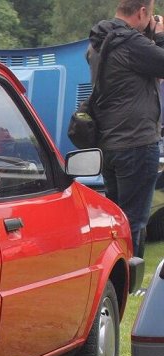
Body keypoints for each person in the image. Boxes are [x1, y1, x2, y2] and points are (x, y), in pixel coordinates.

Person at [89, 0, 164, 257]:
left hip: (110, 144)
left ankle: (113, 278)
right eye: (151, 14)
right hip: (137, 143)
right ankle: (128, 280)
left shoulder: (100, 41)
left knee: (117, 219)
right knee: (134, 222)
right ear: (142, 11)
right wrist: (161, 36)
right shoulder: (131, 43)